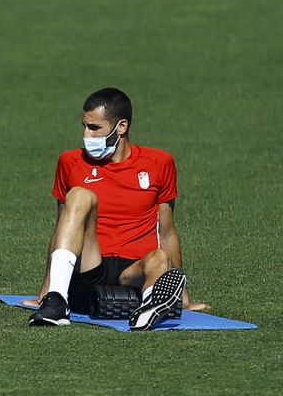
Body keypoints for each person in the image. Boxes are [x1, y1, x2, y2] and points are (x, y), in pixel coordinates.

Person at [27, 87, 204, 330]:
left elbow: (167, 232)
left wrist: (183, 292)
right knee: (79, 195)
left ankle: (151, 304)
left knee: (161, 258)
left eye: (94, 128)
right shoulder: (69, 161)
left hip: (134, 270)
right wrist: (46, 290)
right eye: (85, 126)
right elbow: (62, 229)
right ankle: (57, 302)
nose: (86, 135)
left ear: (121, 127)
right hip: (91, 266)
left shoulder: (159, 162)